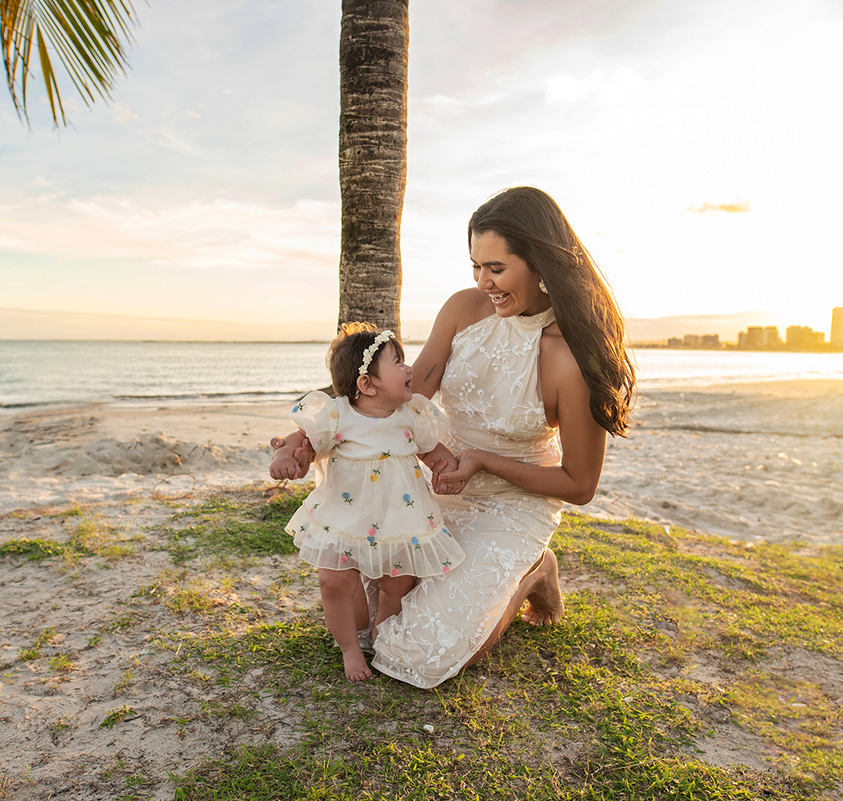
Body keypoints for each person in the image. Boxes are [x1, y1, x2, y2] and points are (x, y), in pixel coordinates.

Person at [276, 187, 635, 688]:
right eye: (475, 266)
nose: (483, 282)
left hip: (515, 504)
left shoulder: (571, 356)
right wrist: (309, 435)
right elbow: (402, 395)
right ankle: (501, 577)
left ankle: (533, 566)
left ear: (539, 261)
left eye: (496, 268)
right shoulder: (464, 310)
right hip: (434, 494)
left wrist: (484, 461)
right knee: (370, 613)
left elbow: (579, 485)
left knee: (415, 652)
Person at [270, 323, 467, 682]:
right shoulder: (336, 415)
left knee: (397, 585)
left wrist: (449, 469)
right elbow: (297, 440)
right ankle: (349, 649)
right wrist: (285, 457)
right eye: (398, 362)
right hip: (342, 520)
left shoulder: (412, 416)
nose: (409, 369)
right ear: (367, 384)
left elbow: (434, 452)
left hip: (400, 519)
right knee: (334, 583)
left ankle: (382, 636)